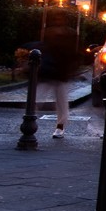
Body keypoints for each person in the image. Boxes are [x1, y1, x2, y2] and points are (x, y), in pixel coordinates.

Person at [40, 8, 79, 139]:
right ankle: (29, 120)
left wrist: (72, 69)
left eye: (60, 18)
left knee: (61, 102)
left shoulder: (70, 34)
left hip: (61, 71)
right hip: (49, 71)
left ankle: (60, 126)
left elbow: (73, 53)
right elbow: (44, 48)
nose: (58, 20)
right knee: (38, 97)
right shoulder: (49, 32)